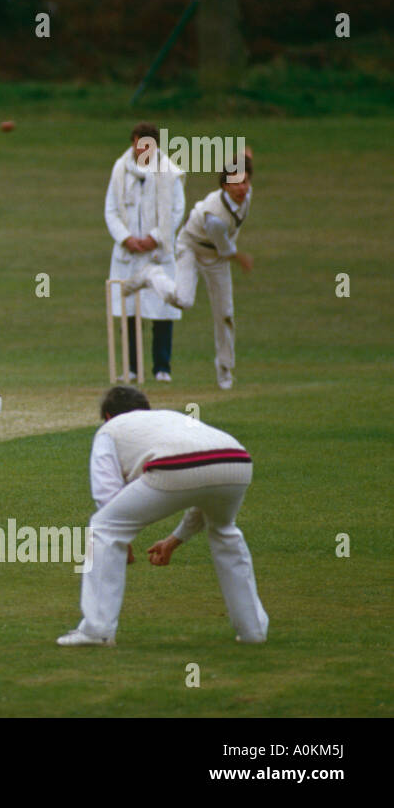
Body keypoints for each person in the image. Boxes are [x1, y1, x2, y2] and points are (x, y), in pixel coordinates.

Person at [56, 385, 268, 647]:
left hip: (176, 468)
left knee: (103, 527)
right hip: (238, 461)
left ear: (109, 416)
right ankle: (253, 630)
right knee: (224, 530)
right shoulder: (169, 419)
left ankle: (96, 630)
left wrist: (121, 540)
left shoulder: (110, 430)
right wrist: (175, 539)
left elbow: (106, 491)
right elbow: (203, 490)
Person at [129, 151, 254, 390]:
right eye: (236, 183)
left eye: (246, 181)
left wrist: (245, 158)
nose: (242, 188)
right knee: (183, 300)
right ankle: (152, 275)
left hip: (216, 256)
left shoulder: (247, 195)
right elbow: (227, 251)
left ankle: (224, 369)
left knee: (225, 312)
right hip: (191, 247)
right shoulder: (215, 217)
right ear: (225, 186)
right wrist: (243, 260)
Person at [105, 122, 185, 382]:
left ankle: (162, 367)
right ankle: (131, 367)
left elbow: (176, 211)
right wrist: (126, 238)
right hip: (128, 254)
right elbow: (111, 210)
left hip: (156, 253)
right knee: (129, 311)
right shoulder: (120, 169)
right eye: (139, 144)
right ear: (133, 143)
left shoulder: (169, 172)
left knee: (161, 308)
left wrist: (155, 238)